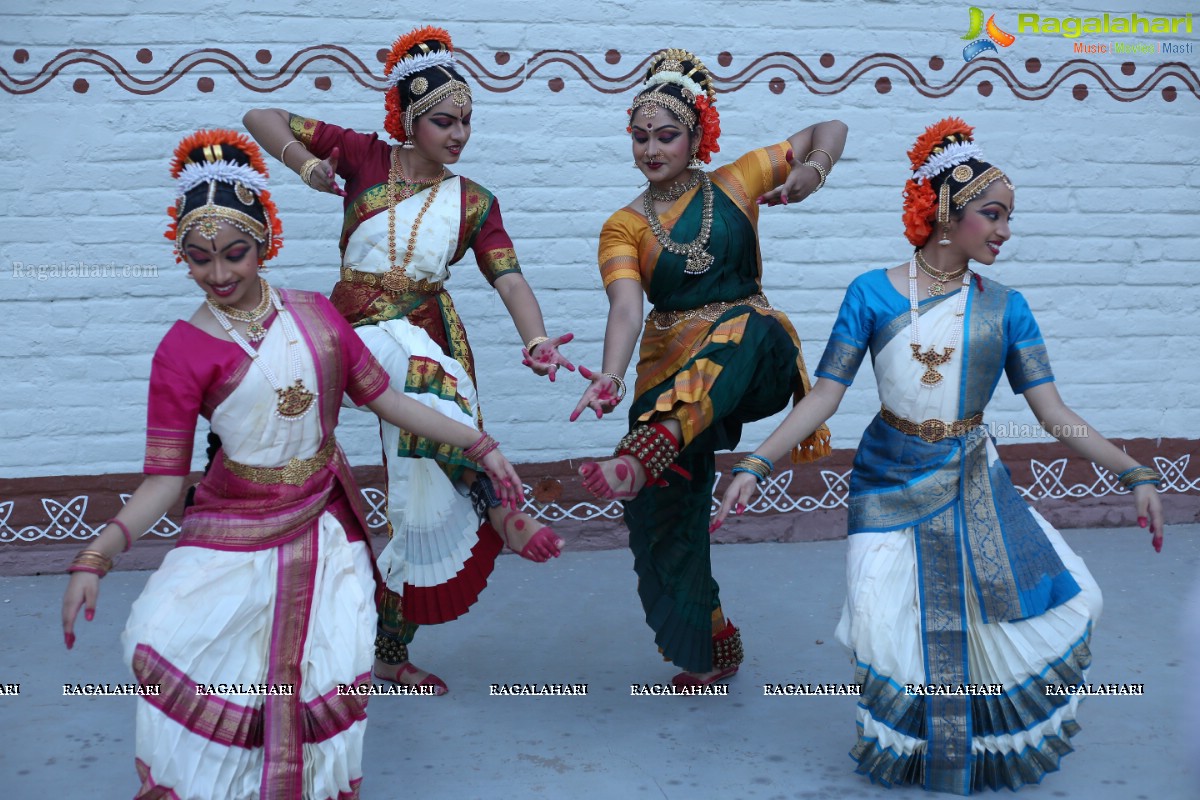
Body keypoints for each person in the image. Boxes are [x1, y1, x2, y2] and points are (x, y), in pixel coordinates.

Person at [59, 129, 528, 799]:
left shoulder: (315, 317)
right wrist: (95, 556)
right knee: (157, 637)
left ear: (265, 242)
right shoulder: (183, 349)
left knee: (322, 676)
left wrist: (478, 442)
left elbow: (389, 401)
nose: (219, 275)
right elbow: (166, 479)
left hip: (322, 525)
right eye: (199, 260)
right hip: (232, 526)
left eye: (234, 254)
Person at [715, 117, 1166, 793]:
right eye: (994, 214)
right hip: (886, 476)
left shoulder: (1008, 309)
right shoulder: (871, 292)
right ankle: (914, 750)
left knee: (1069, 604)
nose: (1006, 230)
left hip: (971, 476)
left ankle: (969, 754)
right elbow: (825, 397)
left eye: (1009, 216)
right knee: (881, 620)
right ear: (948, 212)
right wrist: (757, 463)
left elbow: (1053, 414)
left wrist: (1135, 470)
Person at [243, 26, 571, 694]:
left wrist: (535, 339)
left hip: (422, 333)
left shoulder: (473, 201)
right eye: (445, 121)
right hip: (351, 332)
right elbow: (262, 115)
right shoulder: (364, 158)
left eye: (467, 122)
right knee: (294, 462)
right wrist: (302, 162)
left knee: (420, 491)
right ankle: (497, 499)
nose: (459, 134)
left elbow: (508, 278)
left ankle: (390, 652)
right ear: (410, 119)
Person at [572, 48, 847, 686]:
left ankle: (653, 446)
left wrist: (812, 171)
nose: (650, 148)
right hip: (669, 373)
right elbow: (624, 309)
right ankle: (713, 642)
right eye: (639, 137)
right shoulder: (623, 226)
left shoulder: (735, 181)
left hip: (754, 357)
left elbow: (829, 128)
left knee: (746, 326)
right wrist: (610, 377)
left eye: (666, 135)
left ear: (697, 136)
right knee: (660, 522)